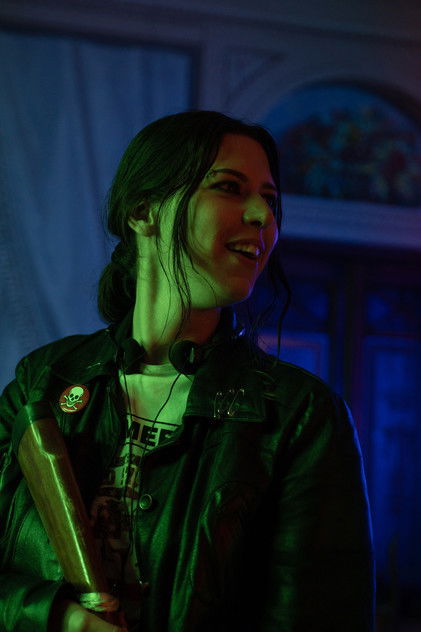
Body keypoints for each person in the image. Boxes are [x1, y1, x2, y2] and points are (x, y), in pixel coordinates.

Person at [0, 110, 375, 632]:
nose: (262, 216)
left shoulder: (300, 416)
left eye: (269, 199)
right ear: (143, 210)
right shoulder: (43, 381)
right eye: (229, 187)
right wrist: (60, 617)